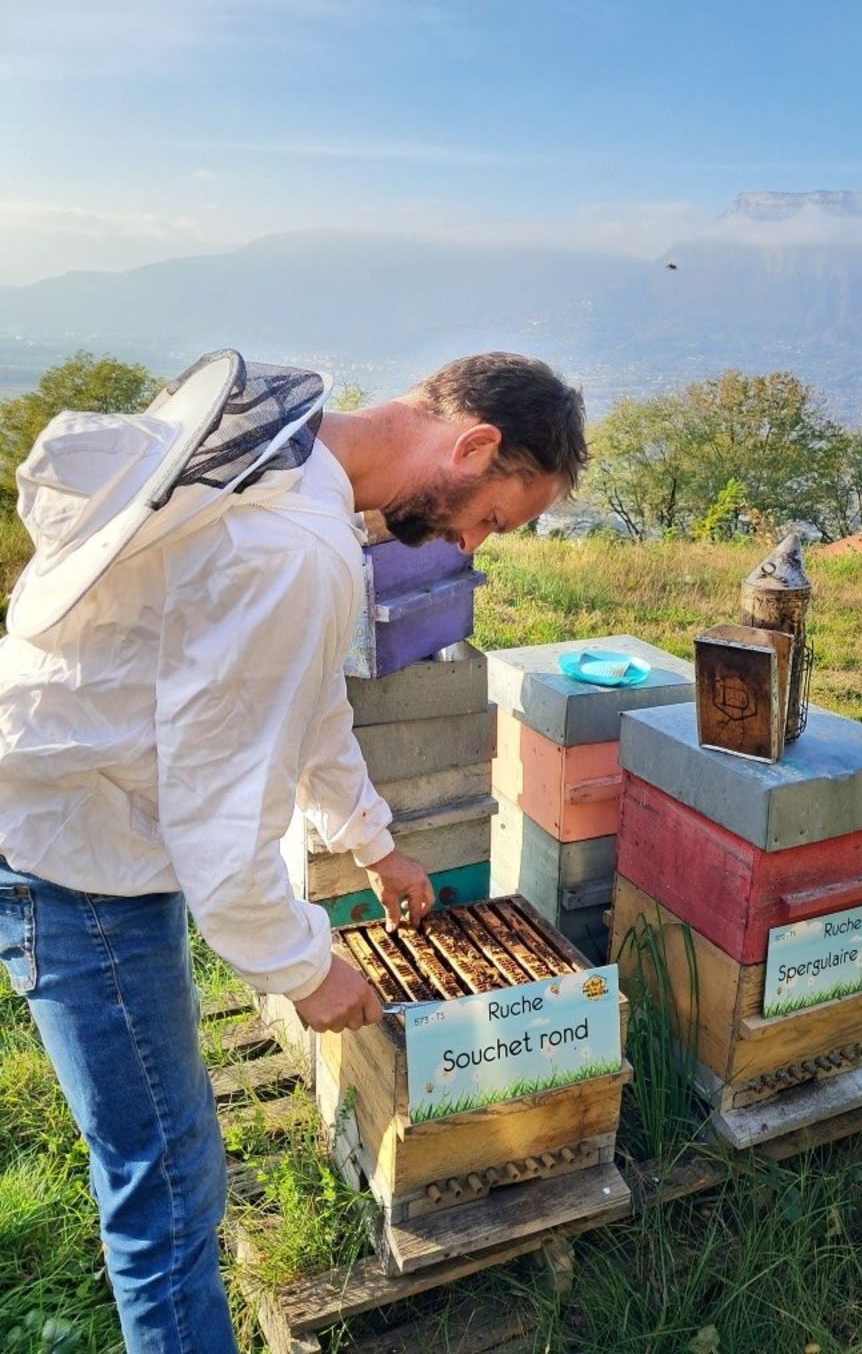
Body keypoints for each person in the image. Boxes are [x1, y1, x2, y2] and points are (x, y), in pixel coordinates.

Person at [0, 349, 586, 1354]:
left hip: (76, 816)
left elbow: (307, 702)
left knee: (166, 1160)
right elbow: (217, 812)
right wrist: (302, 967)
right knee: (171, 1183)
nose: (465, 539)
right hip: (79, 860)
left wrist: (373, 844)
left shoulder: (293, 462)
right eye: (490, 514)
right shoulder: (292, 546)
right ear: (476, 443)